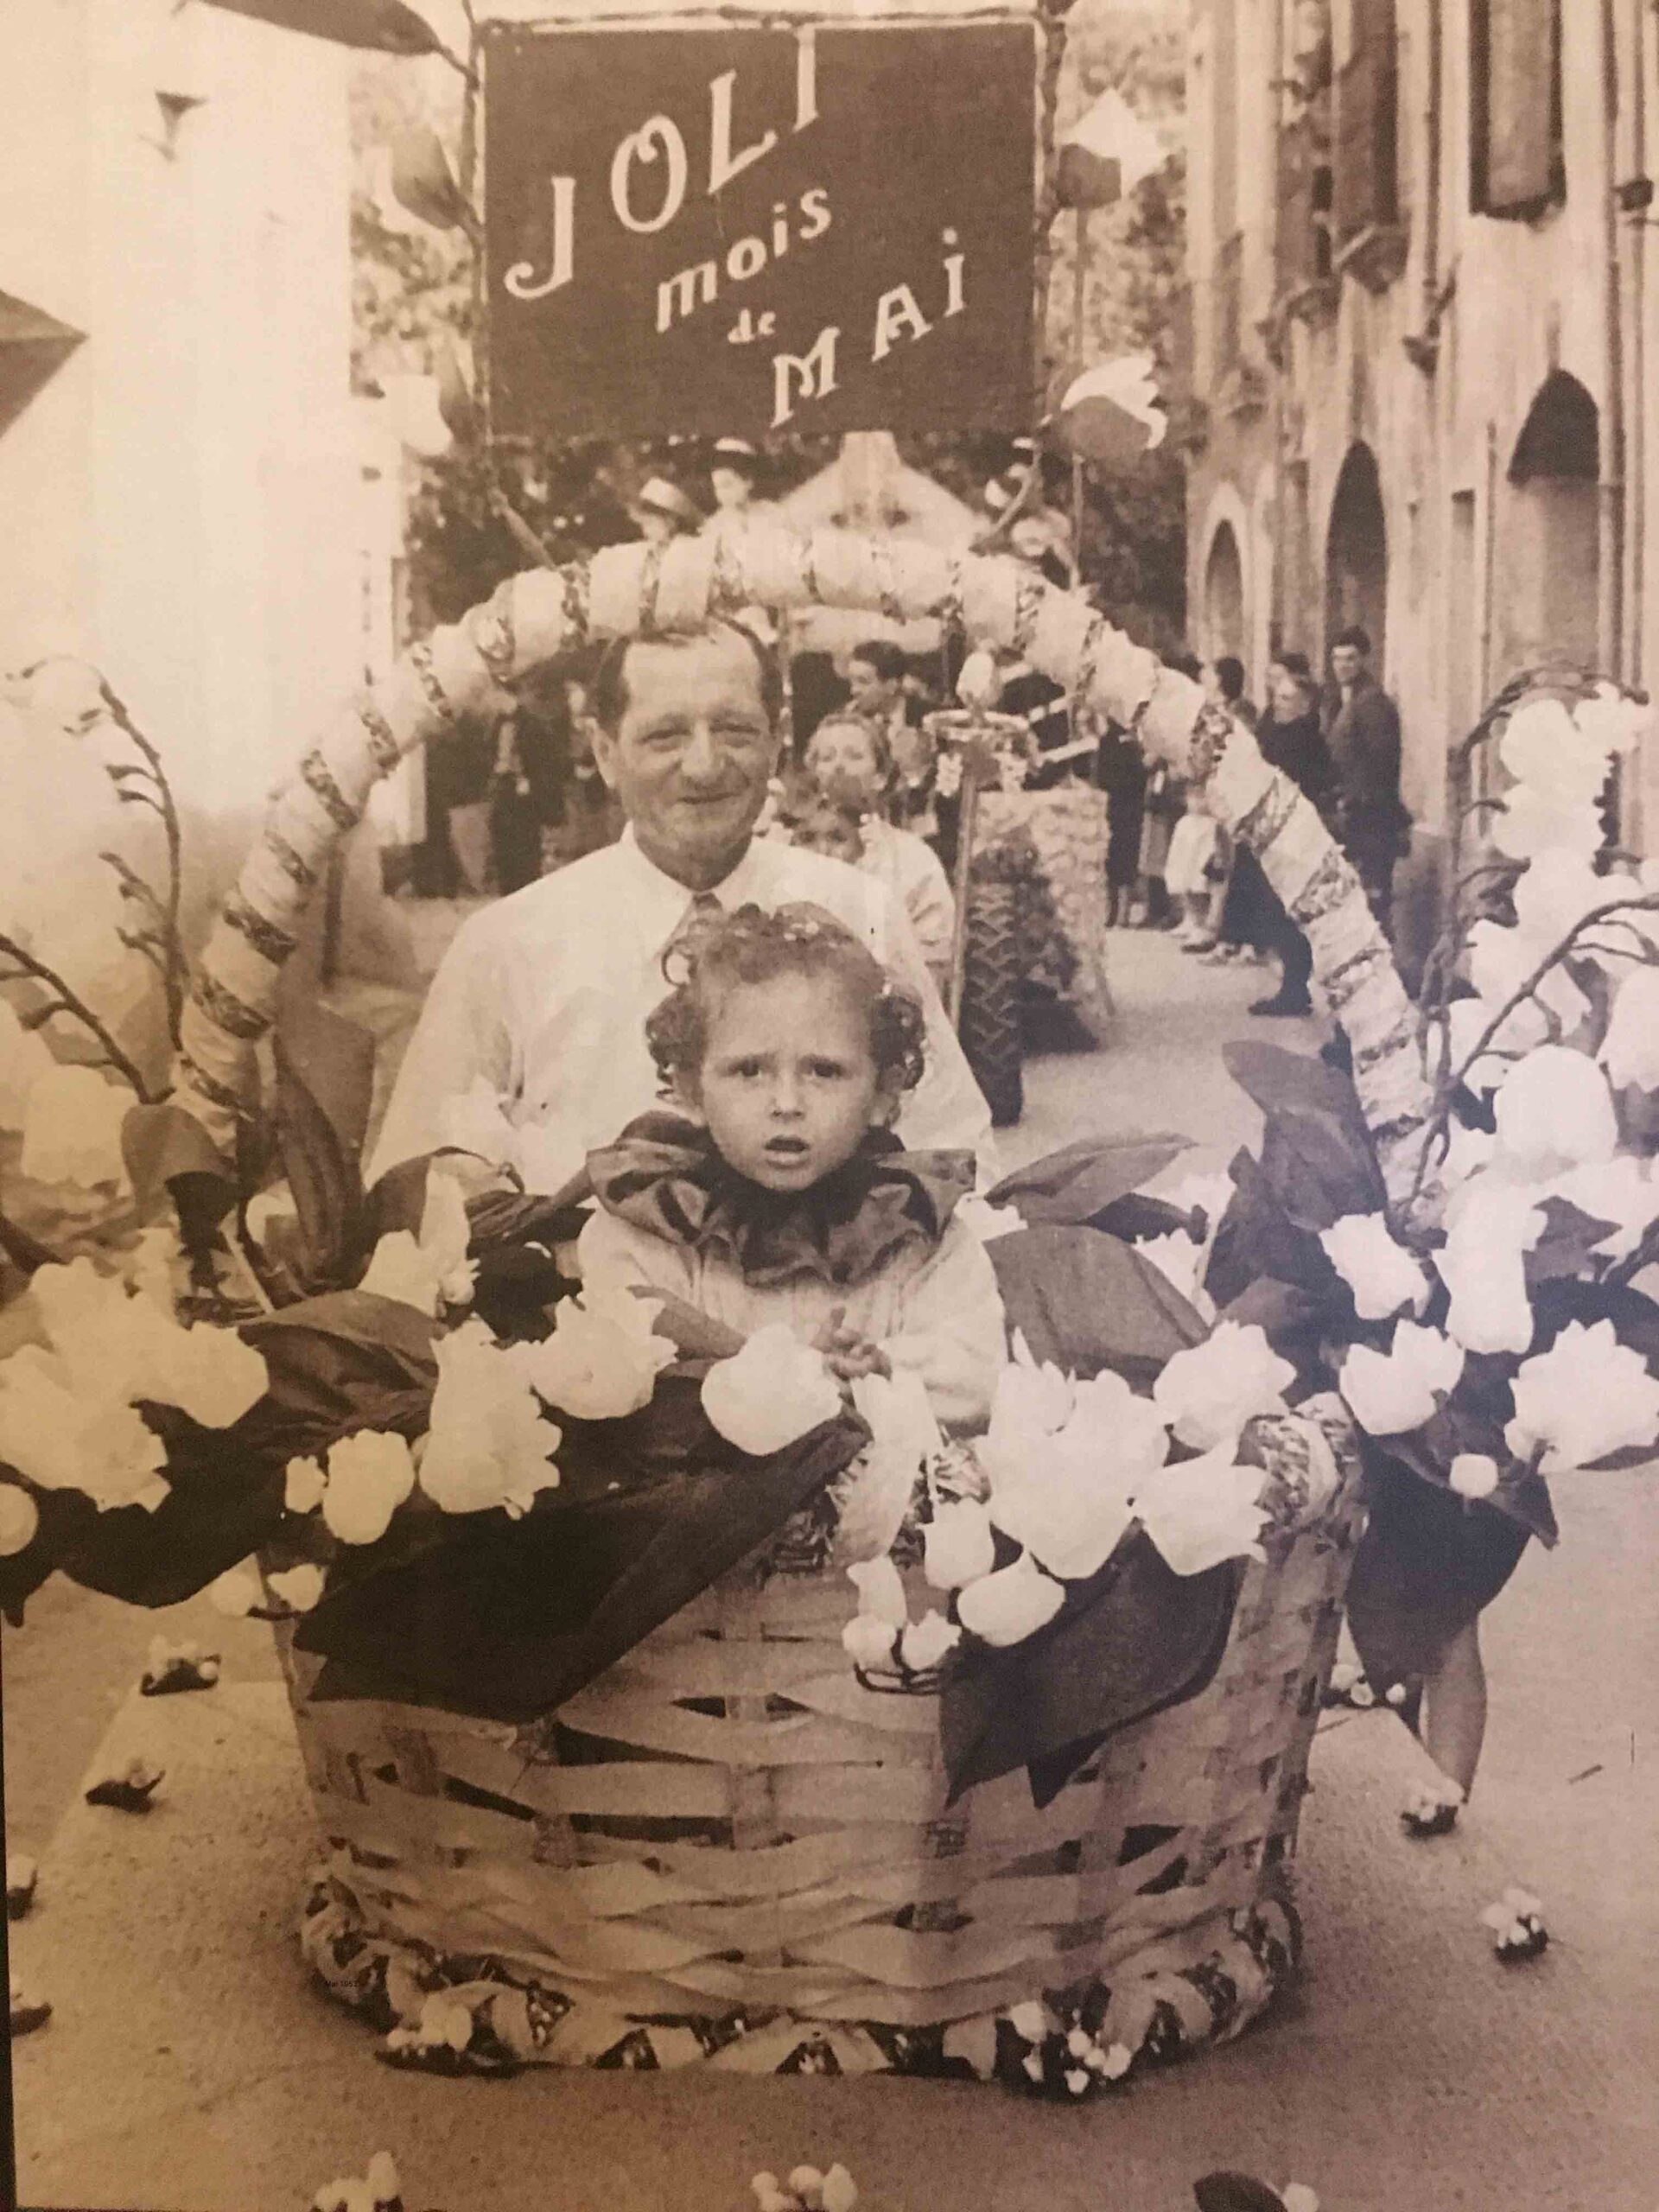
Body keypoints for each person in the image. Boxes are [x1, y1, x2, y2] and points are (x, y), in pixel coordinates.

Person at [368, 623, 995, 1190]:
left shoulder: (860, 910)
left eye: (735, 731)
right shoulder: (507, 943)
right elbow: (416, 1181)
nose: (704, 766)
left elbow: (955, 1148)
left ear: (777, 740)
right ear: (605, 752)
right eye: (665, 735)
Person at [578, 903, 1006, 1431]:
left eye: (824, 1071)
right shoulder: (657, 1220)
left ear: (882, 1092)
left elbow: (978, 1375)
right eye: (748, 1071)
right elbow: (615, 1360)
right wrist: (783, 1376)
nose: (786, 1102)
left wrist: (878, 1369)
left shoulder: (913, 1227)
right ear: (691, 1088)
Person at [804, 714, 957, 995]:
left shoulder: (914, 858)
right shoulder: (789, 851)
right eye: (827, 757)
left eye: (855, 756)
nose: (839, 766)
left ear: (880, 776)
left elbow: (933, 964)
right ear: (814, 774)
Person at [1244, 655, 1339, 1014]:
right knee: (1274, 910)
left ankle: (1295, 988)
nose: (1277, 705)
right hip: (1273, 833)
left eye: (1286, 700)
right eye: (1277, 698)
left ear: (1303, 706)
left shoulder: (1305, 740)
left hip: (1291, 836)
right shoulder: (1279, 733)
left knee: (1287, 911)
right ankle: (1292, 984)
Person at [1324, 626, 1410, 936]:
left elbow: (1382, 763)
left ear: (1363, 661)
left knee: (1373, 894)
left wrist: (1355, 800)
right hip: (1348, 812)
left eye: (1350, 659)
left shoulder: (1373, 703)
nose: (1342, 666)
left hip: (1371, 816)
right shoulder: (1339, 701)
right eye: (1337, 659)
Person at [1163, 783, 1227, 951]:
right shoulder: (1184, 822)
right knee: (1184, 882)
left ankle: (1202, 924)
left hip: (1202, 851)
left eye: (1200, 798)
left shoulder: (1211, 824)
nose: (1196, 802)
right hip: (1187, 850)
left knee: (1200, 887)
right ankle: (1190, 919)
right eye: (1192, 798)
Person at [631, 475, 701, 548]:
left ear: (670, 521)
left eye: (649, 523)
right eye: (642, 525)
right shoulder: (656, 547)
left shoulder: (687, 548)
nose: (645, 532)